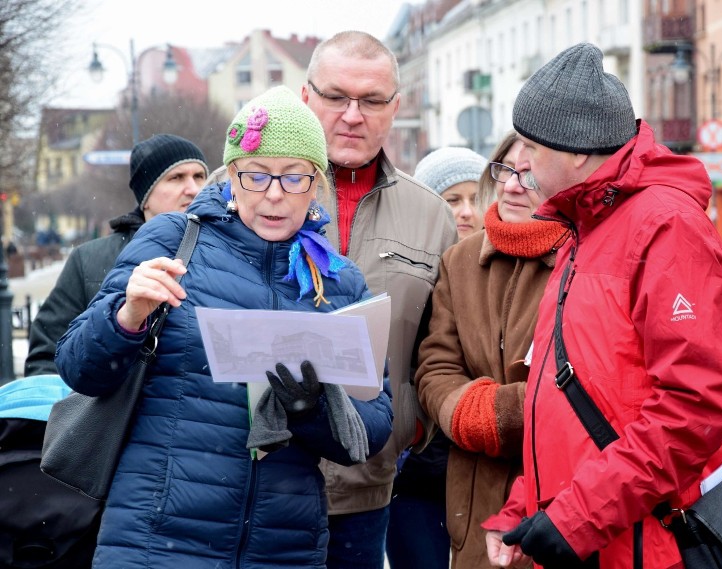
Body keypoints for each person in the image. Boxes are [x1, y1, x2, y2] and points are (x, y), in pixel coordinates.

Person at [54, 86, 394, 568]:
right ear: (231, 177)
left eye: (294, 178)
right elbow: (78, 368)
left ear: (317, 184)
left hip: (283, 548)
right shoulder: (172, 239)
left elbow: (372, 430)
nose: (274, 194)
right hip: (155, 539)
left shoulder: (338, 282)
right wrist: (126, 317)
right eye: (256, 176)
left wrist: (311, 406)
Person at [482, 43, 722, 569]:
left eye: (531, 146)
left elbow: (694, 410)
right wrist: (523, 507)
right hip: (592, 534)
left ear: (577, 151)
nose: (522, 162)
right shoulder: (586, 225)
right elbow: (571, 395)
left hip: (644, 544)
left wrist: (576, 516)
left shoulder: (665, 226)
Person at [301, 31, 458, 569]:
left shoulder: (431, 215)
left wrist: (410, 427)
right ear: (305, 97)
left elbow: (445, 347)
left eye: (371, 100)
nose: (352, 114)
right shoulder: (251, 191)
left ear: (395, 108)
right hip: (255, 477)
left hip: (367, 484)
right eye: (336, 96)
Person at [414, 131, 569, 569]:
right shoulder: (459, 261)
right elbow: (434, 364)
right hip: (474, 506)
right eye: (505, 171)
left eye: (531, 175)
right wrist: (467, 413)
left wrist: (500, 415)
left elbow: (583, 383)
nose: (513, 186)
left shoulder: (584, 258)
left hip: (557, 503)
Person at [384, 145, 489, 569]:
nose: (465, 212)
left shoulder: (504, 273)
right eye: (451, 200)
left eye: (475, 199)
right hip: (416, 467)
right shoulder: (408, 276)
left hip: (481, 464)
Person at [25, 133, 209, 376]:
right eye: (176, 178)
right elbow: (47, 358)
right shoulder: (90, 259)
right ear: (145, 198)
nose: (193, 189)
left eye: (199, 176)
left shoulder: (228, 251)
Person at [413, 146, 488, 239]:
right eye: (453, 200)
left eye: (477, 200)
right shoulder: (399, 252)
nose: (467, 212)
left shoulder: (505, 252)